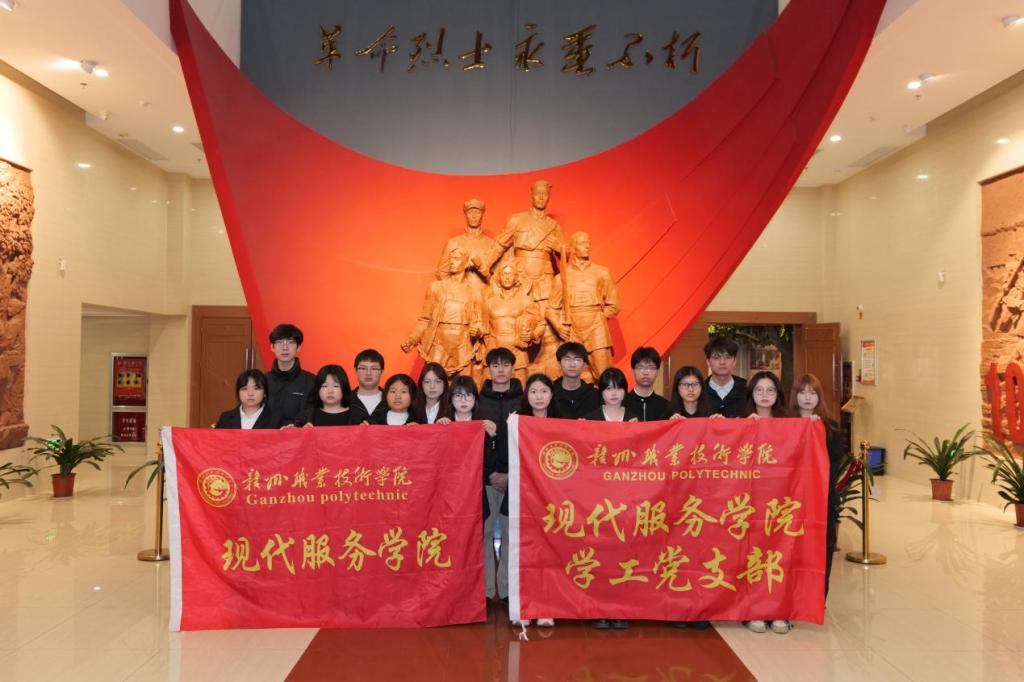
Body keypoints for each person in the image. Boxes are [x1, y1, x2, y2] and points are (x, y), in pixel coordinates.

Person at [743, 370, 791, 635]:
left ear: (777, 395)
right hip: (751, 501)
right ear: (751, 394)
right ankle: (754, 609)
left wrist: (812, 423)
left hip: (781, 500)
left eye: (770, 390)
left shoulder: (790, 424)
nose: (764, 395)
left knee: (779, 554)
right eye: (759, 390)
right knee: (753, 554)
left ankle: (778, 609)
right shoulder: (742, 422)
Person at [512, 372, 561, 628]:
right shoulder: (517, 423)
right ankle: (524, 606)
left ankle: (547, 607)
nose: (538, 397)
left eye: (543, 391)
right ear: (526, 396)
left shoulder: (563, 424)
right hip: (525, 499)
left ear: (552, 395)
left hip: (555, 500)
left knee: (552, 555)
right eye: (533, 392)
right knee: (526, 553)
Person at [789, 373, 843, 601]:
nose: (807, 397)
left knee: (821, 550)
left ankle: (816, 600)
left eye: (812, 393)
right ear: (795, 396)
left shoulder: (830, 428)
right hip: (790, 502)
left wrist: (816, 432)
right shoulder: (784, 425)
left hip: (821, 501)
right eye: (802, 392)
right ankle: (791, 599)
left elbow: (834, 465)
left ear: (819, 397)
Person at [477, 347, 523, 606]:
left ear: (513, 368)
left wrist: (510, 474)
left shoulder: (525, 400)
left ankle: (507, 592)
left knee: (510, 535)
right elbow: (473, 442)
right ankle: (484, 592)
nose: (501, 370)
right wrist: (491, 473)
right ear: (489, 369)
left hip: (516, 481)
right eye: (495, 365)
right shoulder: (478, 401)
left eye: (506, 365)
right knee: (483, 535)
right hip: (484, 479)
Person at [547, 231, 621, 380]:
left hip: (596, 328)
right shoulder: (562, 277)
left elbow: (614, 305)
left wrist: (599, 317)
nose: (587, 246)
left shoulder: (602, 273)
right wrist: (559, 327)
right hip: (572, 329)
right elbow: (550, 309)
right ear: (573, 249)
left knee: (604, 375)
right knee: (570, 377)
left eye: (588, 243)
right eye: (582, 243)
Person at [402, 245, 484, 377]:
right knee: (434, 381)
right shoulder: (436, 288)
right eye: (451, 259)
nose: (452, 262)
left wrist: (478, 332)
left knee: (463, 384)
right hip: (439, 342)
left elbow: (480, 323)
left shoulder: (474, 292)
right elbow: (424, 319)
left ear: (465, 263)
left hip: (463, 345)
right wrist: (413, 339)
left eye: (456, 259)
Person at [264, 323, 315, 425]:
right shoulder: (263, 380)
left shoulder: (311, 381)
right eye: (279, 342)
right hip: (268, 434)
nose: (285, 347)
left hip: (298, 433)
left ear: (298, 347)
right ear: (272, 347)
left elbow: (312, 411)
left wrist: (295, 426)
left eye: (291, 342)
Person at [215, 369, 281, 429]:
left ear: (265, 393)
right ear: (238, 393)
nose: (250, 393)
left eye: (256, 388)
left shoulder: (275, 420)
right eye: (245, 388)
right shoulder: (225, 418)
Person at [552, 342, 601, 419]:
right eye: (567, 359)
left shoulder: (595, 395)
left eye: (577, 360)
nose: (572, 365)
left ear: (584, 365)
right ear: (559, 364)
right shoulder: (550, 393)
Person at [623, 347, 671, 421]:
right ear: (633, 371)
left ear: (657, 372)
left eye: (651, 368)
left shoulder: (666, 406)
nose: (645, 372)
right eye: (640, 367)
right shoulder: (622, 403)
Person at [704, 336, 747, 418]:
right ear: (708, 362)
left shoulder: (748, 389)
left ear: (734, 361)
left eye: (728, 357)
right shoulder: (699, 390)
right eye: (716, 357)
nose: (722, 362)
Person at [349, 349, 388, 424]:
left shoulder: (391, 400)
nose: (368, 373)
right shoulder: (345, 400)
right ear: (355, 370)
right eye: (363, 368)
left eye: (374, 368)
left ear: (382, 371)